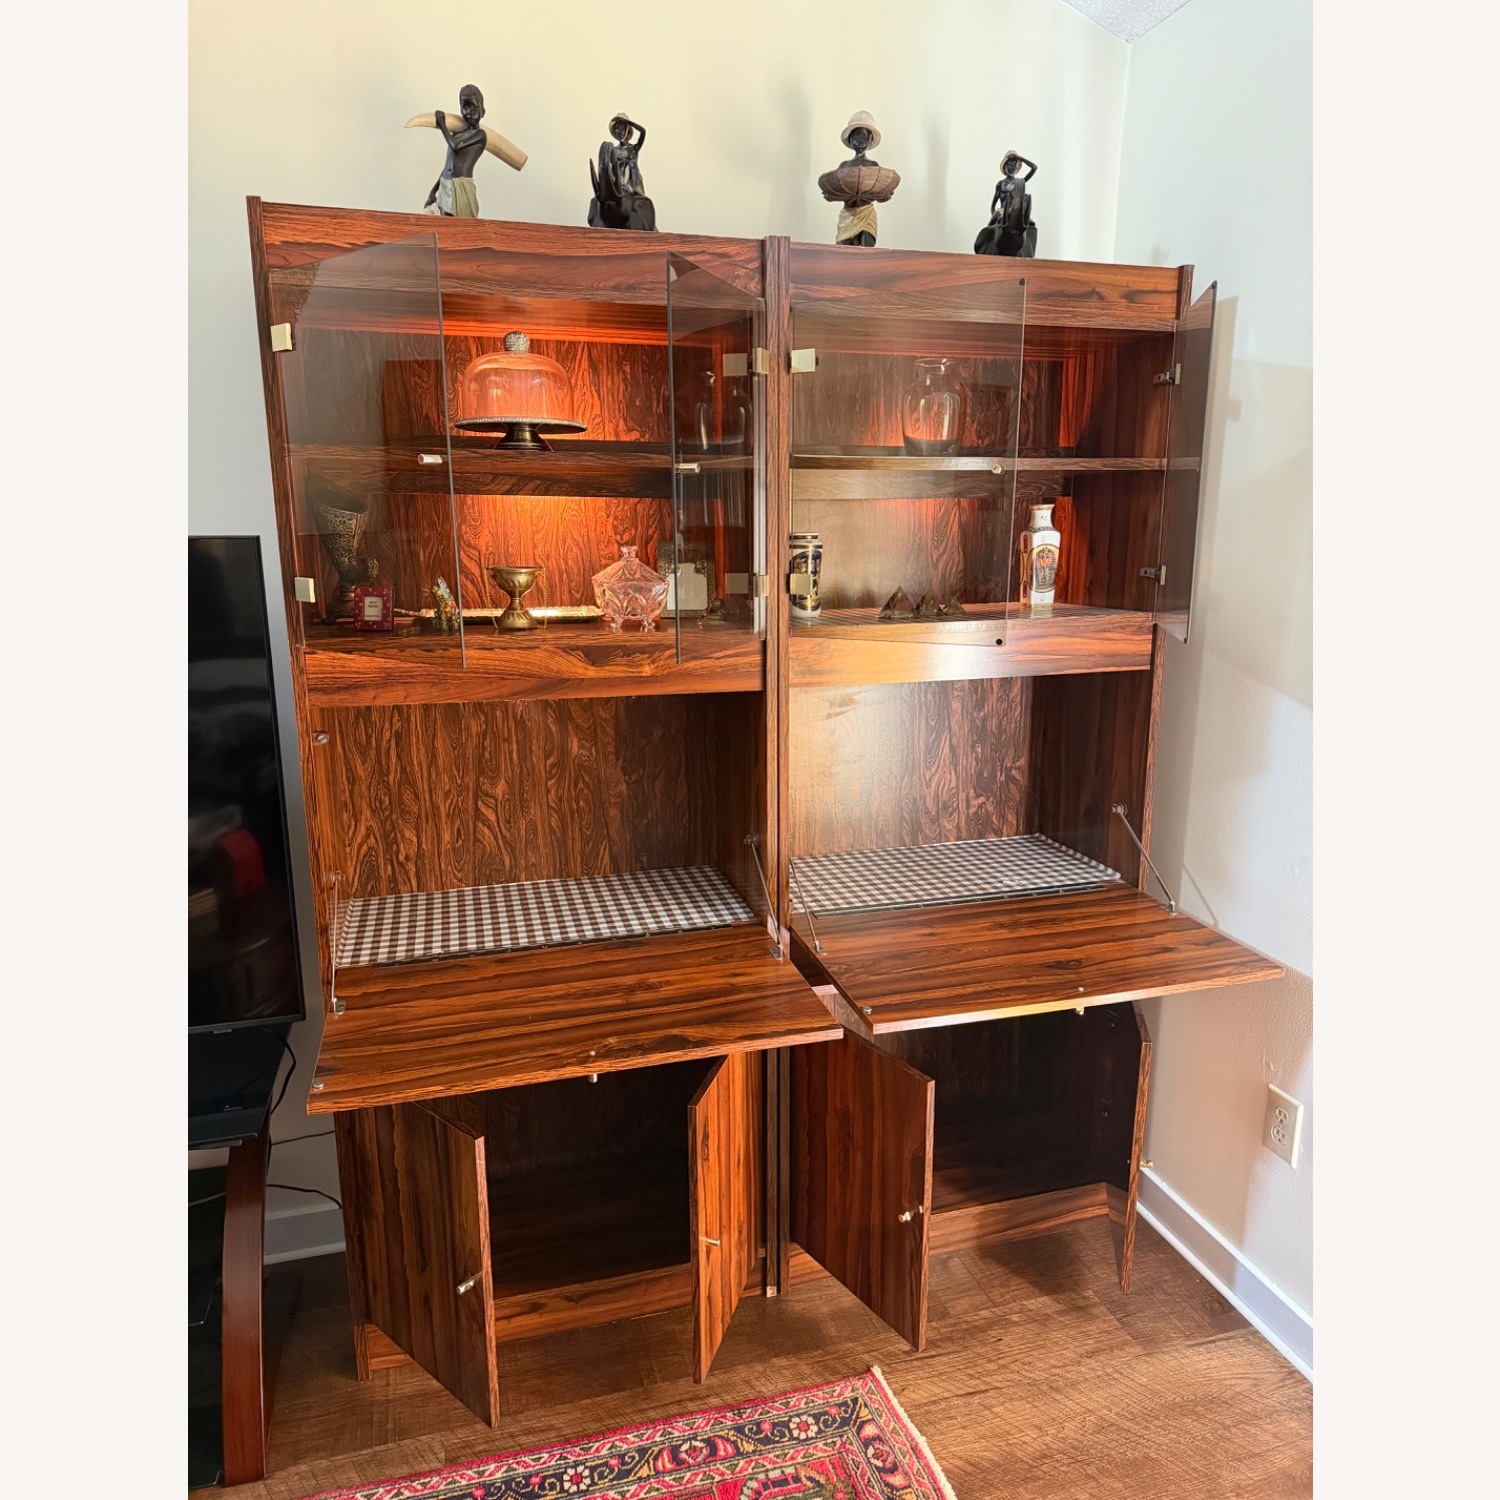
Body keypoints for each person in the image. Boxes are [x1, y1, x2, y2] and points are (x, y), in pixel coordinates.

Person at [817, 111, 900, 247]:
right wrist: (831, 195)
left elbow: (877, 193)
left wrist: (883, 196)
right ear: (850, 139)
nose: (860, 140)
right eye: (856, 136)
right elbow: (839, 190)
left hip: (866, 213)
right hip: (847, 215)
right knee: (844, 255)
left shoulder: (874, 167)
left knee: (866, 255)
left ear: (871, 140)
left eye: (864, 136)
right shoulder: (844, 166)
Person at [588, 114, 657, 230]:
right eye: (617, 129)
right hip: (619, 183)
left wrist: (628, 122)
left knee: (636, 198)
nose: (619, 132)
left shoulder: (633, 148)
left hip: (633, 179)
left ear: (627, 130)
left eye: (622, 128)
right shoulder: (614, 150)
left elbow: (643, 132)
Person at [975, 151, 1039, 257]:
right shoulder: (1000, 185)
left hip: (1016, 216)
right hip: (1002, 215)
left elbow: (1034, 168)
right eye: (1010, 164)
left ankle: (1028, 255)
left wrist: (1020, 158)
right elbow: (993, 205)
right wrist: (995, 214)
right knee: (990, 232)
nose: (1012, 167)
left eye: (1014, 164)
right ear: (1005, 166)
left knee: (1031, 227)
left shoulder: (1020, 182)